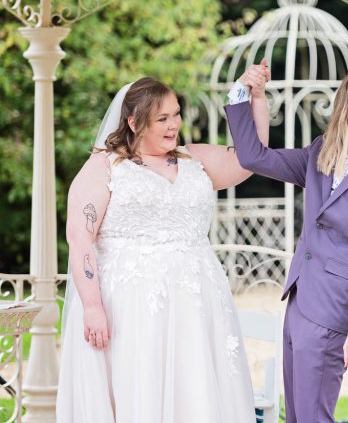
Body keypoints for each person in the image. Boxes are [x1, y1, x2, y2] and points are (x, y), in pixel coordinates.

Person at [56, 61, 271, 423]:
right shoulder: (105, 167)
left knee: (195, 390)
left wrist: (257, 98)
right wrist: (92, 306)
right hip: (131, 305)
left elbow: (250, 160)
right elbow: (80, 240)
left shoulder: (194, 159)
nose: (174, 124)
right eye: (162, 119)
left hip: (196, 301)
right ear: (134, 122)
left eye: (176, 115)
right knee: (139, 386)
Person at [225, 65, 348, 423]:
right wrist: (247, 95)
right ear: (344, 103)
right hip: (297, 303)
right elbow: (254, 157)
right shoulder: (319, 156)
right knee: (296, 417)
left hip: (334, 311)